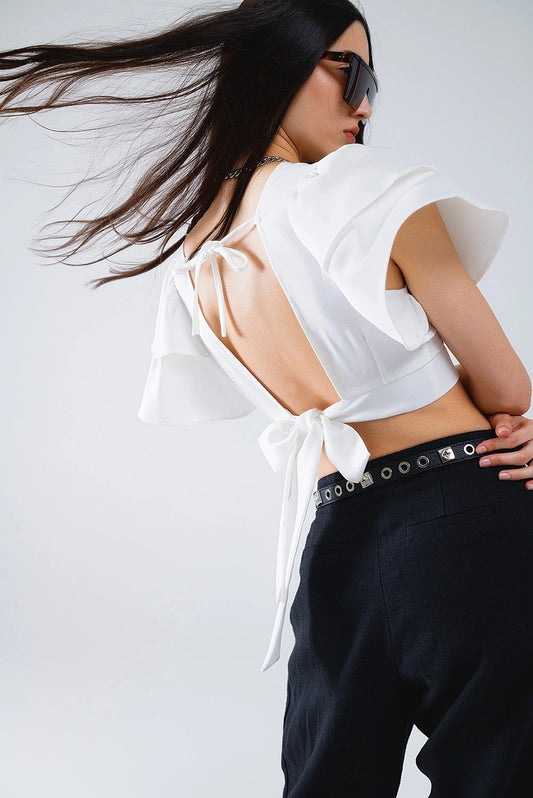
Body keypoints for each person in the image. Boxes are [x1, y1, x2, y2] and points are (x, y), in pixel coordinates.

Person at [1, 1, 532, 794]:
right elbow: (509, 387)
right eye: (347, 72)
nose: (364, 104)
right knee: (497, 767)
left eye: (372, 81)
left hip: (334, 538)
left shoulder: (199, 251)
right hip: (464, 515)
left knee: (326, 777)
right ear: (264, 69)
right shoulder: (368, 192)